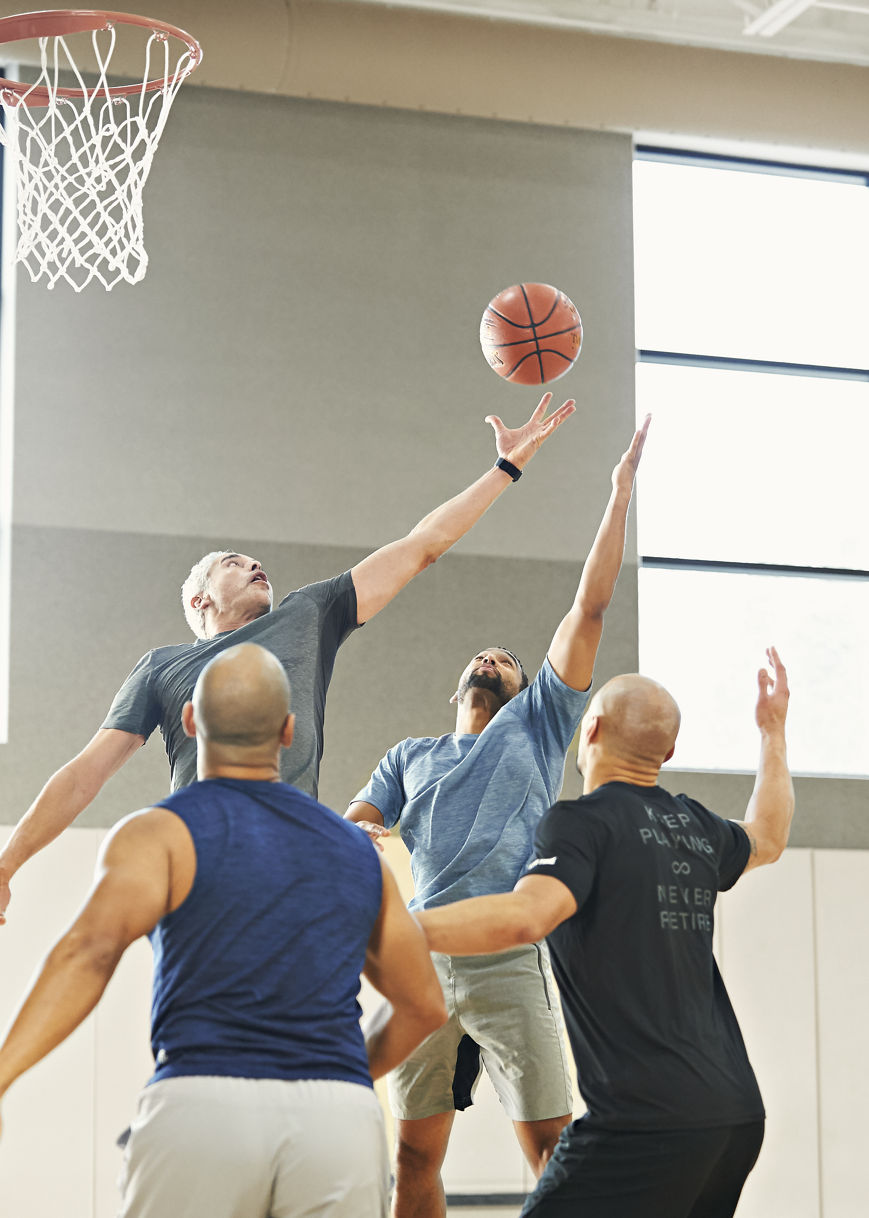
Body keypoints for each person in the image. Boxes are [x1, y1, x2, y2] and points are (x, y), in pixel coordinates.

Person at [0, 394, 575, 924]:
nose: (254, 566)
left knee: (318, 1019)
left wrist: (505, 469)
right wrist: (7, 864)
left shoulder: (308, 614)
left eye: (255, 561)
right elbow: (84, 775)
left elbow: (420, 546)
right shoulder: (162, 668)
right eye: (233, 562)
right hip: (206, 860)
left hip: (297, 866)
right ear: (201, 600)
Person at [0, 643, 447, 1218]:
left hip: (201, 1106)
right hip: (338, 1123)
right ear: (289, 731)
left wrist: (4, 1073)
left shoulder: (156, 834)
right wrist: (335, 1075)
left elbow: (86, 955)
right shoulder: (352, 849)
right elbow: (424, 1005)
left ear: (189, 720)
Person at [346, 416, 650, 1218]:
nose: (490, 658)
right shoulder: (411, 754)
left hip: (509, 956)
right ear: (457, 689)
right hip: (421, 956)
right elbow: (357, 816)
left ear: (525, 690)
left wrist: (617, 497)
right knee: (413, 1155)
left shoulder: (541, 723)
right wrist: (353, 828)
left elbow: (587, 609)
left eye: (506, 659)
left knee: (553, 1148)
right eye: (479, 659)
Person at [416, 649, 794, 1218]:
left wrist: (394, 927)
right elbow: (769, 833)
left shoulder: (579, 823)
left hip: (641, 1122)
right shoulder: (696, 827)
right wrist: (772, 731)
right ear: (668, 753)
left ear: (587, 729)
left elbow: (525, 917)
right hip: (734, 1118)